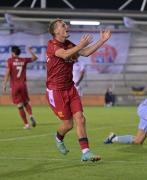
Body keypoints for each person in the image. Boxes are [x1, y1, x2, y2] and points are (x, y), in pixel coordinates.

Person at [46, 18, 111, 161]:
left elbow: (86, 52)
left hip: (70, 87)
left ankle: (86, 152)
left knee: (80, 118)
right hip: (56, 91)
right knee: (68, 124)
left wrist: (102, 40)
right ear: (56, 31)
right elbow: (65, 54)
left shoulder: (68, 44)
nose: (66, 26)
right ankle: (58, 138)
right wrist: (80, 44)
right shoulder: (52, 45)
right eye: (63, 25)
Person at [2, 46, 38, 129]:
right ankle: (31, 115)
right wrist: (30, 51)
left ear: (13, 53)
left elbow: (7, 73)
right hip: (23, 85)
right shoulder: (24, 60)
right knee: (26, 102)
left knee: (19, 105)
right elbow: (35, 58)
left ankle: (26, 124)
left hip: (15, 86)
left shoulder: (10, 61)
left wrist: (4, 84)